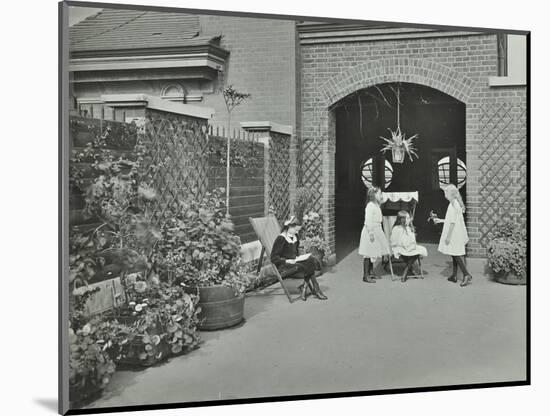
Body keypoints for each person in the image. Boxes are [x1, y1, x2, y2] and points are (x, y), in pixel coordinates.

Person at [271, 216, 327, 301]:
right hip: (284, 266)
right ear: (289, 227)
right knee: (308, 265)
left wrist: (299, 257)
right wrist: (286, 260)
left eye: (298, 230)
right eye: (296, 230)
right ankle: (310, 289)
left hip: (295, 262)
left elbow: (295, 253)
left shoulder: (295, 236)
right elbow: (273, 258)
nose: (297, 232)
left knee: (311, 260)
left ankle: (308, 288)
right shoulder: (281, 239)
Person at [433, 184, 472, 287]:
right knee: (453, 253)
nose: (444, 194)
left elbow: (453, 222)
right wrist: (441, 220)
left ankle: (466, 274)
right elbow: (450, 219)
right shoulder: (453, 203)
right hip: (455, 231)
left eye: (445, 192)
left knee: (456, 254)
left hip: (454, 232)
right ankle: (454, 275)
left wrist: (448, 237)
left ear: (450, 194)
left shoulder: (454, 204)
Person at [358, 186, 391, 283]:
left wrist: (381, 195)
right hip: (370, 231)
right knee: (368, 253)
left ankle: (371, 272)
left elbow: (383, 198)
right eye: (379, 193)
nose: (381, 195)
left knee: (373, 252)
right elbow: (368, 220)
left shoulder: (377, 205)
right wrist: (371, 232)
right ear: (373, 195)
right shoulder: (370, 206)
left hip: (377, 229)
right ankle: (365, 275)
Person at [390, 210, 428, 282]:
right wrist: (404, 245)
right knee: (409, 252)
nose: (409, 219)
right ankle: (409, 268)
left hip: (409, 247)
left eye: (409, 218)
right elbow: (394, 241)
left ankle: (406, 270)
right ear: (402, 220)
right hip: (400, 247)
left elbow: (412, 240)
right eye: (407, 218)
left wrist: (411, 244)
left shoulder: (409, 228)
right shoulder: (396, 229)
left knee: (420, 249)